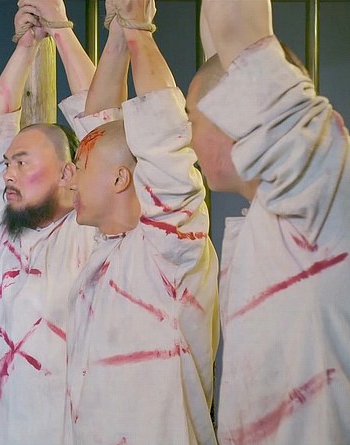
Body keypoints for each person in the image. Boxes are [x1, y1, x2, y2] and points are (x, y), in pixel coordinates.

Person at [189, 0, 350, 442]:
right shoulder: (277, 217)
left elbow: (237, 27)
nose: (188, 137)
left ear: (236, 115)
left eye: (190, 118)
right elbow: (225, 54)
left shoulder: (317, 188)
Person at [63, 0, 218, 442]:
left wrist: (138, 30)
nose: (69, 176)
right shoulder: (110, 246)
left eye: (80, 166)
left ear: (119, 179)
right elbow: (100, 130)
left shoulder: (169, 248)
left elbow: (162, 137)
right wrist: (116, 34)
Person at [0, 1, 100, 443]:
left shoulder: (95, 232)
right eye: (9, 163)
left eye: (22, 163)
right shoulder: (10, 230)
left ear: (69, 174)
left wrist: (62, 30)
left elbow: (104, 127)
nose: (8, 173)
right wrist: (27, 45)